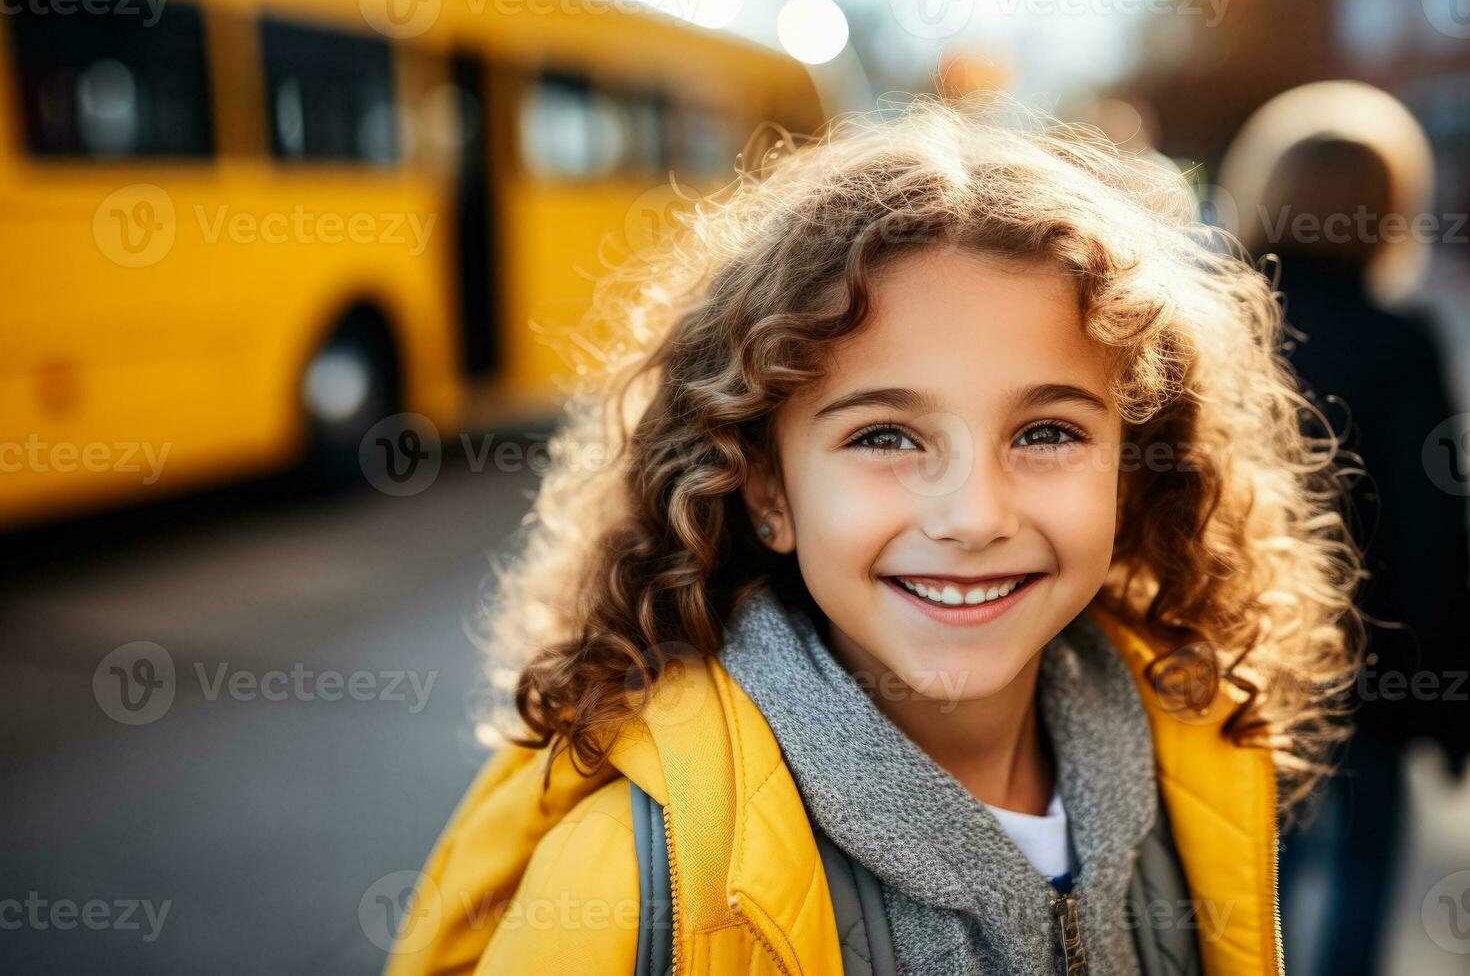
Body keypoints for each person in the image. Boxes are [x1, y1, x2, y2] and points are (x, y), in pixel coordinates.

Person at [385, 96, 1364, 975]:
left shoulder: (1195, 765)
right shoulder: (638, 885)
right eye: (885, 435)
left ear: (1133, 463)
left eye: (1048, 432)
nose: (975, 515)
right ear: (764, 485)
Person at [1220, 81, 1470, 976]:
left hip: (1240, 664)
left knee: (1248, 880)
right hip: (1375, 670)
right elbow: (1433, 529)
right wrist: (1449, 697)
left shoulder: (1220, 320)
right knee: (1359, 884)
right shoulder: (1399, 341)